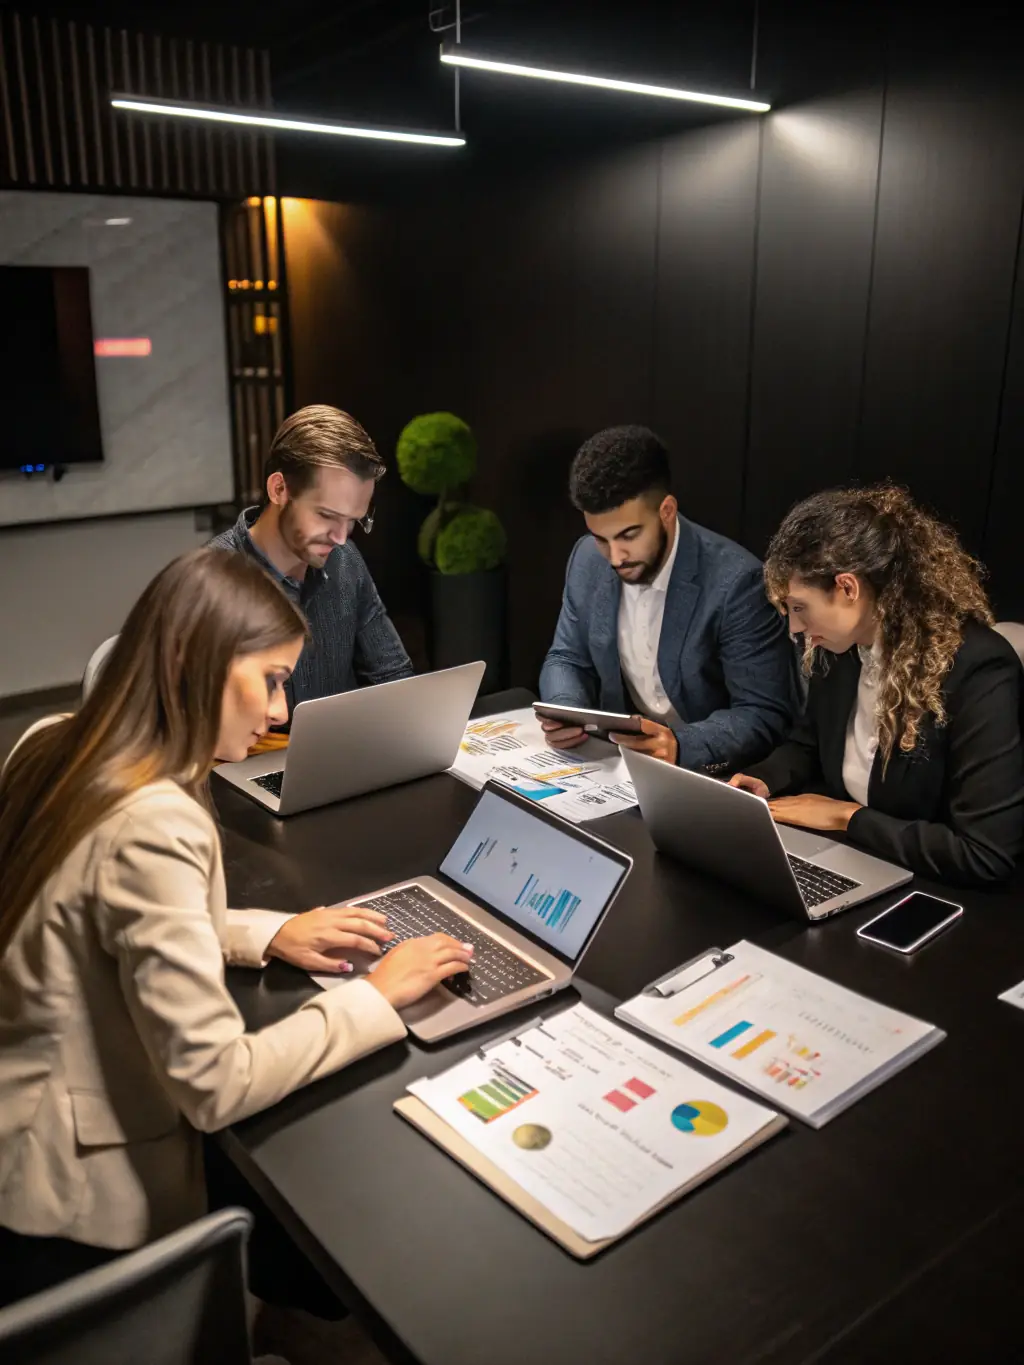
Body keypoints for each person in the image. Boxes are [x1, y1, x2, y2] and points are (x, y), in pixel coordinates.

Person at [0, 548, 473, 1306]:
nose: (280, 712)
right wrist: (374, 998)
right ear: (192, 661)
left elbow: (91, 909)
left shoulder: (51, 740)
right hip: (72, 1202)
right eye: (272, 681)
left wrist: (266, 933)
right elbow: (215, 1085)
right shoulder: (156, 819)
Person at [729, 485, 1024, 886]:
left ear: (848, 589)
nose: (795, 628)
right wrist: (765, 778)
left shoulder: (979, 669)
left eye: (800, 608)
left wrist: (848, 818)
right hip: (850, 858)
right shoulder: (839, 646)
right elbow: (809, 745)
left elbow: (985, 854)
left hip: (932, 889)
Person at [538, 425, 800, 771]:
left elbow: (763, 712)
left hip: (704, 773)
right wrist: (566, 711)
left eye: (629, 535)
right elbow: (567, 658)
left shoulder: (737, 582)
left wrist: (680, 745)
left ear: (666, 511)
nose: (615, 557)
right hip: (616, 766)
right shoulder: (587, 558)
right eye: (601, 538)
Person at [209, 404, 413, 730]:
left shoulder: (345, 561)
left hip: (342, 755)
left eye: (354, 521)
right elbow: (194, 727)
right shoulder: (213, 580)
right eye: (327, 516)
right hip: (250, 763)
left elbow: (391, 674)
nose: (341, 537)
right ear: (279, 489)